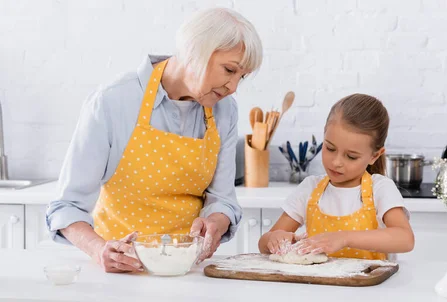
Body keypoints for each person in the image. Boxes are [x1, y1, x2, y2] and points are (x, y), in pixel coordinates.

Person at [46, 7, 263, 273]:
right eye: (229, 70)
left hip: (188, 271)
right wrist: (99, 249)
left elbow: (222, 199)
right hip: (121, 271)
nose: (233, 87)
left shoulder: (224, 110)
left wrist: (216, 221)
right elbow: (66, 206)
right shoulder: (113, 102)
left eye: (242, 76)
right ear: (196, 51)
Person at [259, 94, 414, 260]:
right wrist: (275, 239)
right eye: (330, 148)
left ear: (374, 156)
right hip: (317, 285)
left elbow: (405, 239)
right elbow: (263, 244)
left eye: (351, 156)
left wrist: (344, 238)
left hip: (369, 285)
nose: (336, 162)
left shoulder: (380, 189)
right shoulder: (310, 188)